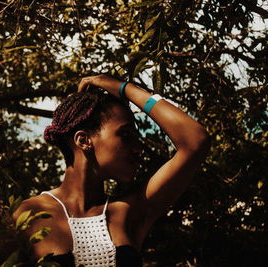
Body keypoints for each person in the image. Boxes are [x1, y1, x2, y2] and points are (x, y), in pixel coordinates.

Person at [13, 74, 210, 266]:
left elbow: (195, 140)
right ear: (84, 140)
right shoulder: (27, 214)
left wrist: (123, 88)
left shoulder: (129, 211)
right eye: (125, 134)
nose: (138, 148)